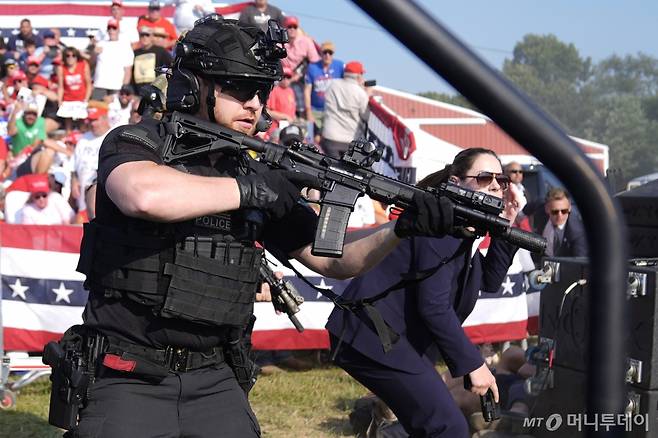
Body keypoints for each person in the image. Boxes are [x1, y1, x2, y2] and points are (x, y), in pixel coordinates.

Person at [61, 16, 454, 438]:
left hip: (216, 380)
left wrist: (401, 228)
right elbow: (144, 195)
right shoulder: (138, 141)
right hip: (128, 374)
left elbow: (334, 261)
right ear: (193, 86)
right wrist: (252, 189)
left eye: (261, 91)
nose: (253, 103)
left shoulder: (258, 174)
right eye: (238, 87)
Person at [326, 148, 522, 438]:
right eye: (484, 177)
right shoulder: (440, 227)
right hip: (371, 335)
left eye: (500, 180)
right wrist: (474, 365)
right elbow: (434, 307)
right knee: (447, 427)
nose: (495, 185)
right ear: (456, 182)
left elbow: (489, 280)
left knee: (433, 424)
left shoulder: (461, 228)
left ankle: (379, 427)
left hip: (387, 338)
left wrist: (508, 221)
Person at [320, 60, 370, 159]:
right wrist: (367, 92)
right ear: (358, 76)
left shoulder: (333, 84)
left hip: (330, 137)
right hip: (349, 141)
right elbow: (366, 116)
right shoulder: (361, 93)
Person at [304, 41, 344, 144]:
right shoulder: (312, 67)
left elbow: (350, 80)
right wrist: (308, 110)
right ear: (321, 53)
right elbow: (307, 89)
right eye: (325, 52)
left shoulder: (339, 66)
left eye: (330, 53)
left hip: (331, 110)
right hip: (315, 109)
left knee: (326, 138)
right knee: (312, 138)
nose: (327, 55)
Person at [280, 16, 320, 118]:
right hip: (283, 76)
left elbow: (315, 62)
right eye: (289, 27)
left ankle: (303, 119)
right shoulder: (280, 43)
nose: (292, 29)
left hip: (301, 77)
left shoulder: (306, 41)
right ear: (285, 28)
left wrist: (301, 74)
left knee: (302, 99)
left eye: (294, 27)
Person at [92, 19, 134, 101]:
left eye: (114, 28)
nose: (111, 31)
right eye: (109, 28)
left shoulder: (125, 46)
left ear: (118, 30)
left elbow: (128, 70)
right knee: (97, 111)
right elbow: (91, 64)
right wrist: (94, 53)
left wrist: (124, 88)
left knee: (114, 112)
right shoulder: (100, 44)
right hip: (99, 85)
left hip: (117, 87)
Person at [541, 187, 587, 257]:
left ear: (569, 208)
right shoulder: (539, 213)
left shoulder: (577, 233)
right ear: (547, 209)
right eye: (555, 212)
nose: (560, 215)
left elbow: (579, 263)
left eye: (564, 211)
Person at [57, 47, 93, 132]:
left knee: (82, 126)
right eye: (68, 56)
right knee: (68, 128)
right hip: (68, 99)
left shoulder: (83, 64)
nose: (70, 58)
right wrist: (59, 100)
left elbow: (88, 84)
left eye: (73, 55)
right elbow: (60, 87)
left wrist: (86, 99)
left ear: (77, 57)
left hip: (81, 99)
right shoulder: (61, 68)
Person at [132, 26, 173, 96]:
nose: (144, 37)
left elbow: (172, 66)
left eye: (147, 35)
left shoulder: (160, 51)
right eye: (142, 35)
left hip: (156, 91)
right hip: (138, 92)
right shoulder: (134, 53)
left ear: (151, 37)